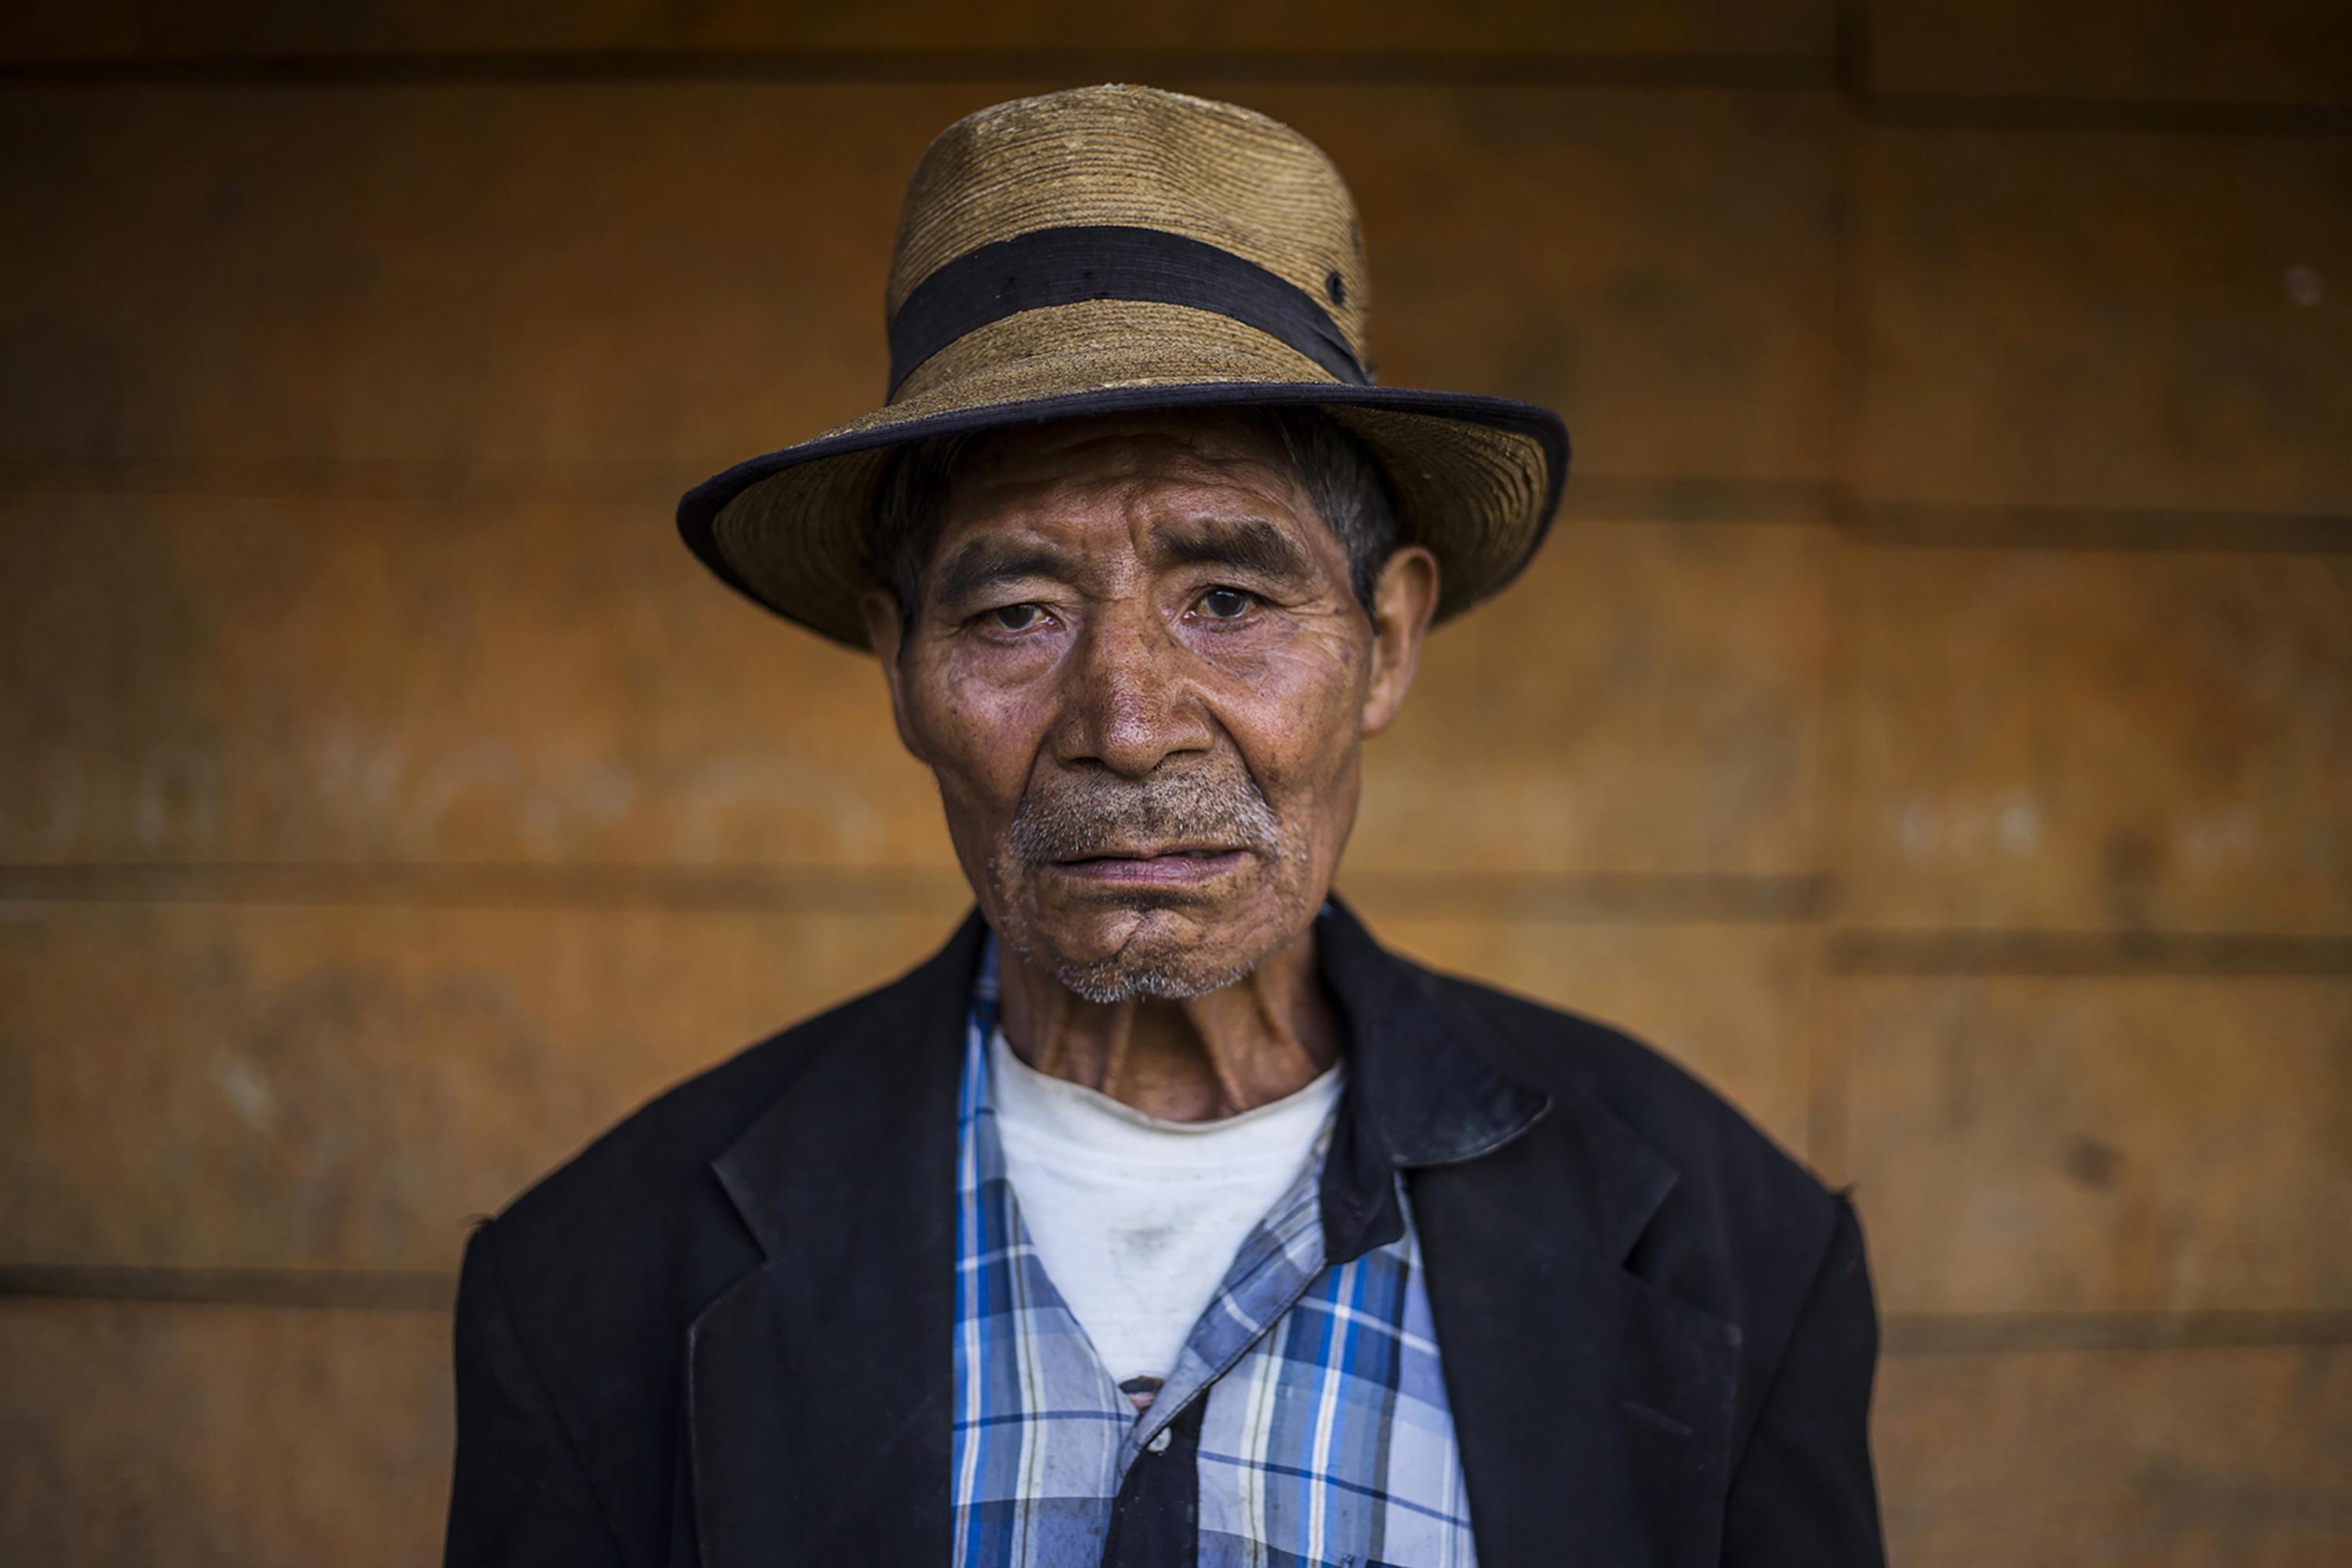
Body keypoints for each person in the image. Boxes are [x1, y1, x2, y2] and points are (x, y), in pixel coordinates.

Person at [443, 84, 1885, 1567]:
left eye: (1230, 600)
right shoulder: (592, 1285)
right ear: (900, 666)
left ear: (1387, 644)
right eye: (1015, 614)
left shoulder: (1732, 1253)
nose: (1128, 725)